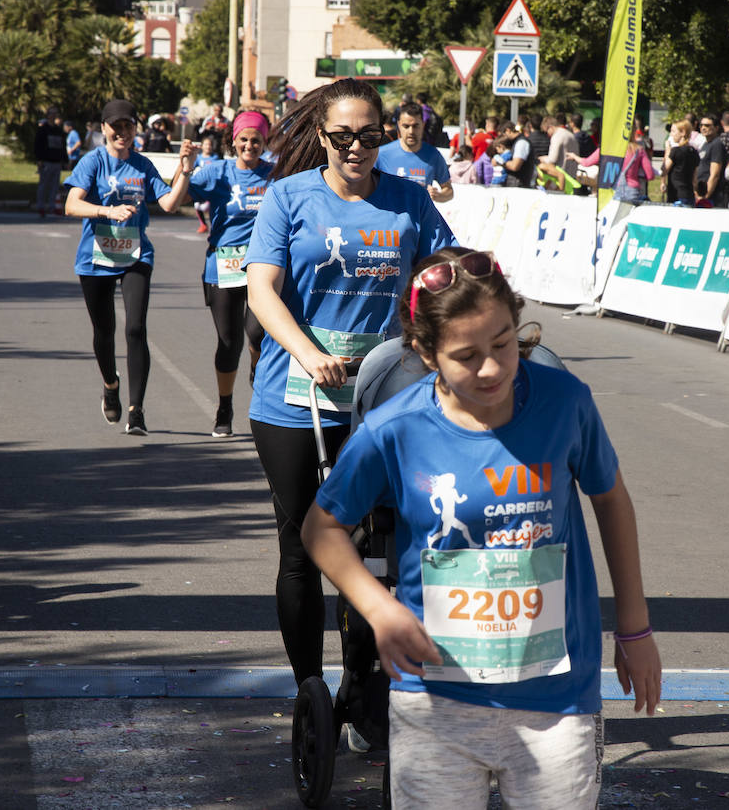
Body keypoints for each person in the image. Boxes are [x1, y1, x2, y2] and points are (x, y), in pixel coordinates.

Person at [301, 246, 661, 809]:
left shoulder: (565, 403)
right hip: (435, 701)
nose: (491, 368)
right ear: (424, 352)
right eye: (466, 355)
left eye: (503, 343)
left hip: (557, 700)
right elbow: (321, 527)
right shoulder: (393, 428)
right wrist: (380, 609)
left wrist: (635, 630)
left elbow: (611, 500)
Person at [244, 78, 456, 686]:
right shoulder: (288, 197)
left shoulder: (408, 201)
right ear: (322, 136)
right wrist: (308, 353)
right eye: (342, 137)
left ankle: (362, 690)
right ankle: (310, 692)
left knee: (370, 554)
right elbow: (261, 289)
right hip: (295, 396)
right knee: (302, 547)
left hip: (382, 399)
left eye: (369, 135)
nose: (356, 148)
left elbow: (446, 269)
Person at [63, 98, 185, 436]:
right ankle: (110, 385)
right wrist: (107, 211)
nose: (122, 132)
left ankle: (137, 411)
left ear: (136, 129)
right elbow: (72, 205)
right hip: (96, 258)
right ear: (103, 128)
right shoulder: (93, 162)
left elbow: (170, 203)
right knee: (104, 331)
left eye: (128, 125)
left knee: (135, 328)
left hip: (135, 256)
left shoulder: (143, 165)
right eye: (115, 126)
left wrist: (184, 173)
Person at [166, 111, 274, 437]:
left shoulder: (276, 176)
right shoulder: (217, 172)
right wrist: (185, 166)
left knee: (257, 333)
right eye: (244, 139)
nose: (249, 145)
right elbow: (179, 196)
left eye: (256, 140)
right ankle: (224, 406)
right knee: (229, 342)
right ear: (234, 141)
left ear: (264, 142)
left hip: (262, 267)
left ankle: (257, 366)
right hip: (222, 267)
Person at [376, 102, 453, 203]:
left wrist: (438, 195)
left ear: (423, 124)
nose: (411, 131)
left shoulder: (433, 155)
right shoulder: (381, 154)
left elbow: (449, 191)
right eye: (406, 126)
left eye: (415, 126)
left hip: (420, 217)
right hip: (388, 217)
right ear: (399, 125)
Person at [34, 107, 66, 218]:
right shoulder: (43, 130)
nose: (53, 116)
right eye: (51, 114)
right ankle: (41, 206)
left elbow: (62, 146)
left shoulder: (58, 130)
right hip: (46, 162)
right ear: (48, 115)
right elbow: (38, 146)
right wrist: (39, 160)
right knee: (43, 185)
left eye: (55, 114)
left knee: (54, 186)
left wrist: (64, 160)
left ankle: (52, 207)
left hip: (56, 162)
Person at [694, 114, 727, 207]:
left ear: (716, 128)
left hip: (711, 197)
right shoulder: (705, 144)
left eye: (707, 125)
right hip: (700, 193)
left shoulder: (717, 144)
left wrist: (705, 197)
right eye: (701, 125)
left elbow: (715, 174)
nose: (703, 128)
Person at [662, 120, 698, 205]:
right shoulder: (693, 151)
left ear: (683, 132)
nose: (671, 134)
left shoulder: (675, 151)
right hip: (689, 193)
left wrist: (667, 150)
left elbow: (664, 170)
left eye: (673, 131)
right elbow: (695, 177)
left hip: (676, 194)